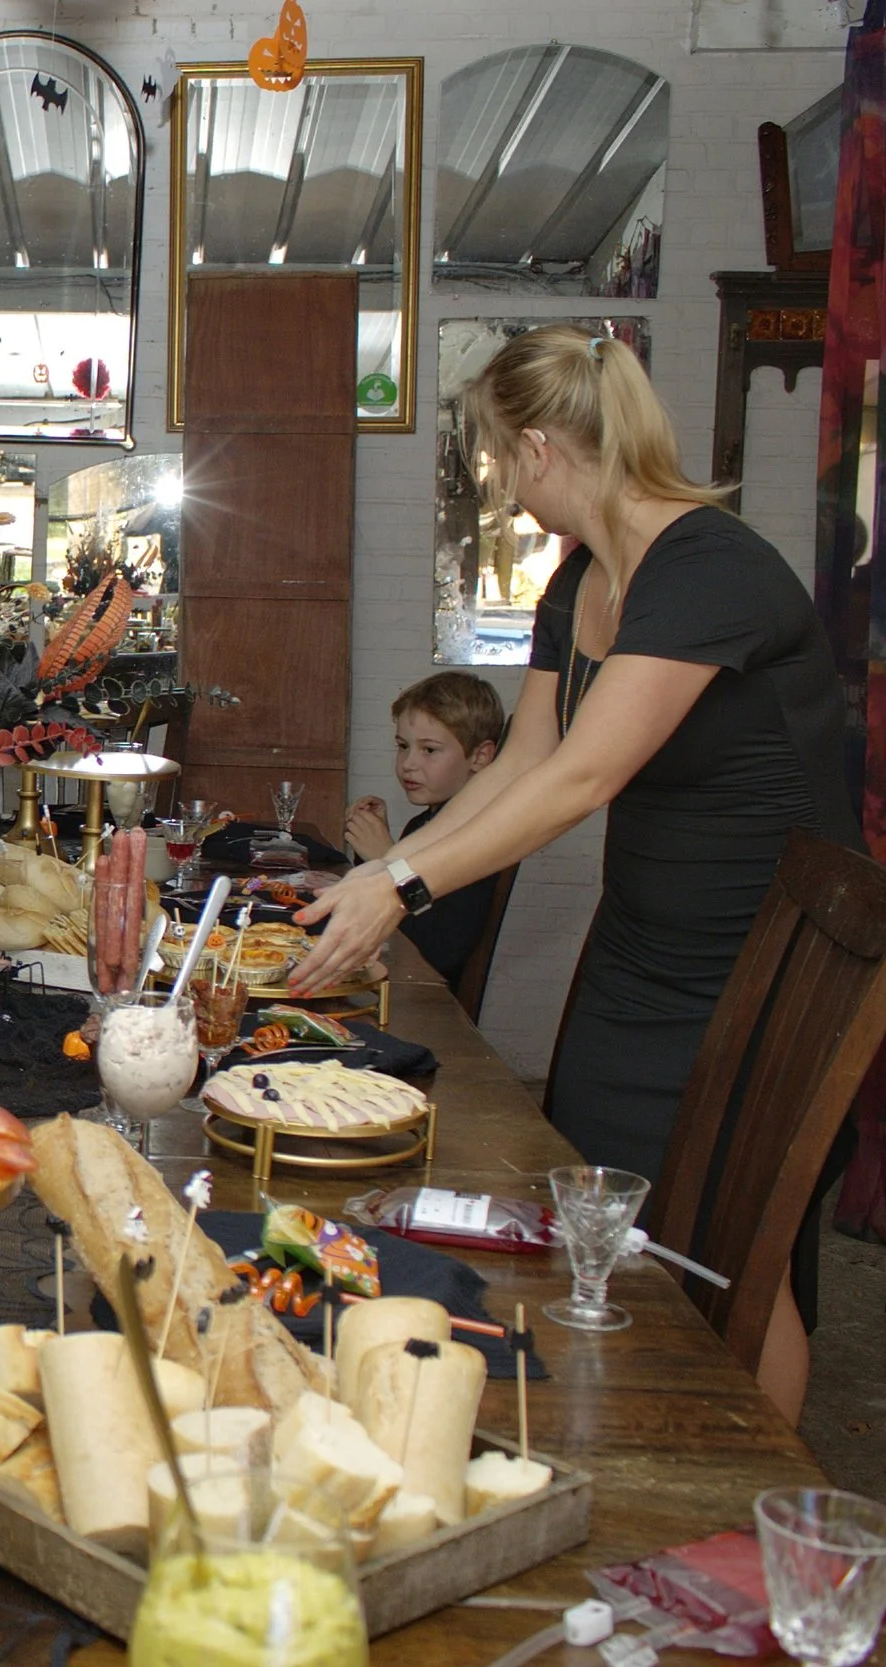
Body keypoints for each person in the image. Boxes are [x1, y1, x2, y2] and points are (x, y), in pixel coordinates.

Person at [286, 324, 857, 1418]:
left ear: (540, 447)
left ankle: (743, 1500)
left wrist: (398, 888)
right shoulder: (581, 576)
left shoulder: (707, 568)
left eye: (496, 459)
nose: (499, 483)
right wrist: (389, 869)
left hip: (763, 969)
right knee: (605, 1208)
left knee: (733, 1251)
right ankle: (642, 1427)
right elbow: (528, 758)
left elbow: (586, 775)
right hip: (646, 951)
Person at [342, 673, 506, 990]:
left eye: (429, 750)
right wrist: (372, 854)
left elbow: (439, 947)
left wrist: (389, 863)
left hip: (424, 999)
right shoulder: (423, 824)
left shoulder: (481, 837)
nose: (408, 764)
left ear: (480, 756)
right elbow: (385, 913)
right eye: (403, 746)